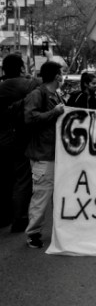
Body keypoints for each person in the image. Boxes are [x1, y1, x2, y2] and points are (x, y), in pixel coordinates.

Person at [24, 61, 66, 249]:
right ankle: (33, 233)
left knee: (57, 195)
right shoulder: (37, 94)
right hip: (43, 155)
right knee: (41, 195)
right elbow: (30, 118)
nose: (63, 76)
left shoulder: (55, 95)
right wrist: (54, 112)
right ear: (57, 76)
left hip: (56, 154)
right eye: (61, 73)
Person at [0, 54, 41, 232]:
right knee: (22, 179)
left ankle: (4, 216)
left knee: (4, 178)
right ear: (21, 67)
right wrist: (46, 60)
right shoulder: (22, 84)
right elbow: (40, 81)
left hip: (2, 139)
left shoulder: (2, 85)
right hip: (17, 139)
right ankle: (20, 218)